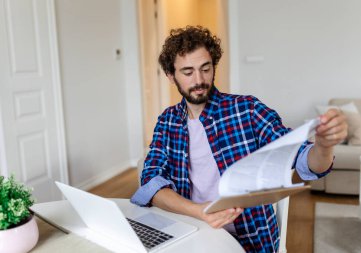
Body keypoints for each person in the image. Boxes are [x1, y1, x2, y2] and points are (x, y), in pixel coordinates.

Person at [131, 26, 347, 252]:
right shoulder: (167, 122)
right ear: (170, 76)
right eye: (187, 72)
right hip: (191, 231)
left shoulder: (247, 109)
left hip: (249, 239)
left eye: (206, 68)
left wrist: (324, 145)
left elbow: (303, 159)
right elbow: (150, 184)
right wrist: (199, 211)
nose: (199, 80)